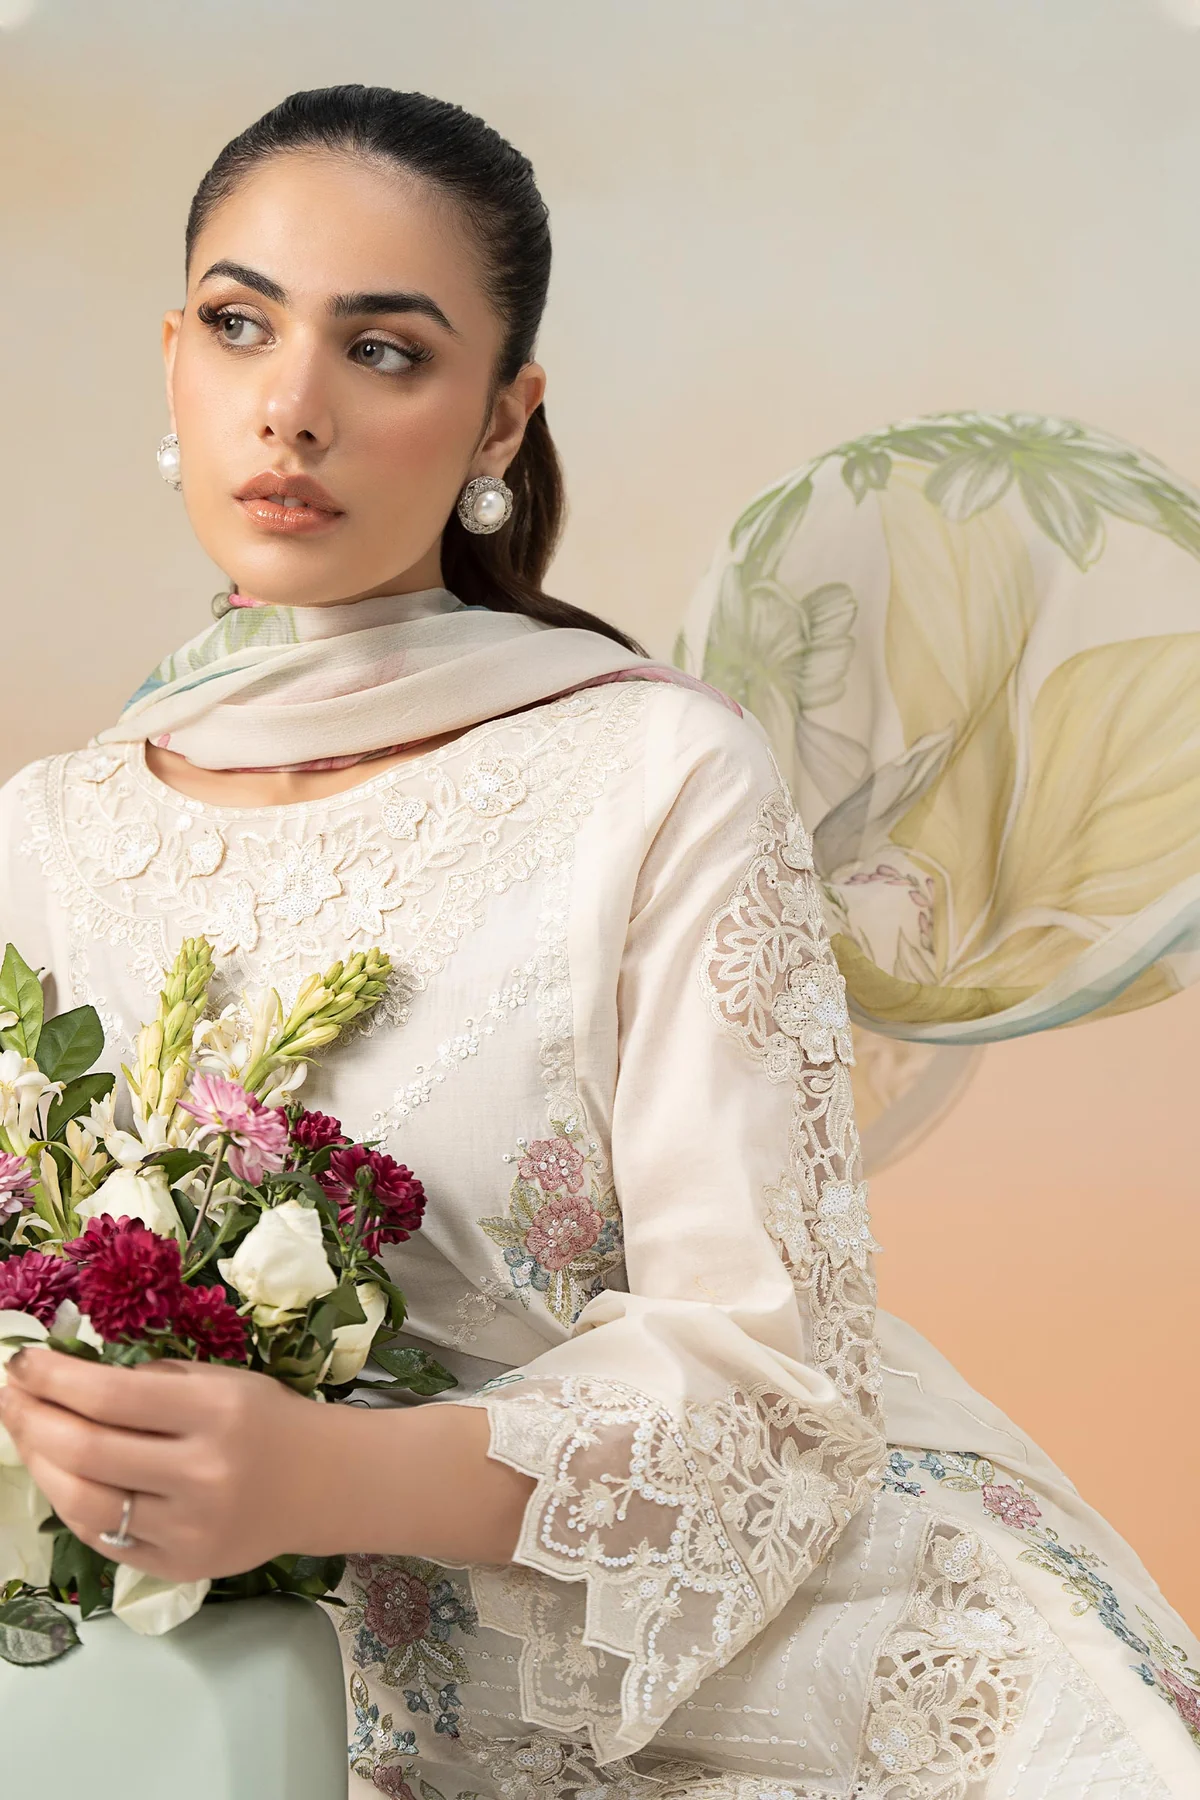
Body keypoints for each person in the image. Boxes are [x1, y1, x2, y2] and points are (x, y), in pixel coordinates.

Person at [0, 85, 1195, 1799]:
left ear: (503, 418)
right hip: (201, 1681)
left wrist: (319, 1478)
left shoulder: (656, 773)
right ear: (174, 360)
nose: (293, 405)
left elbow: (764, 1385)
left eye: (385, 351)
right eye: (241, 324)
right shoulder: (50, 835)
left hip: (711, 1659)